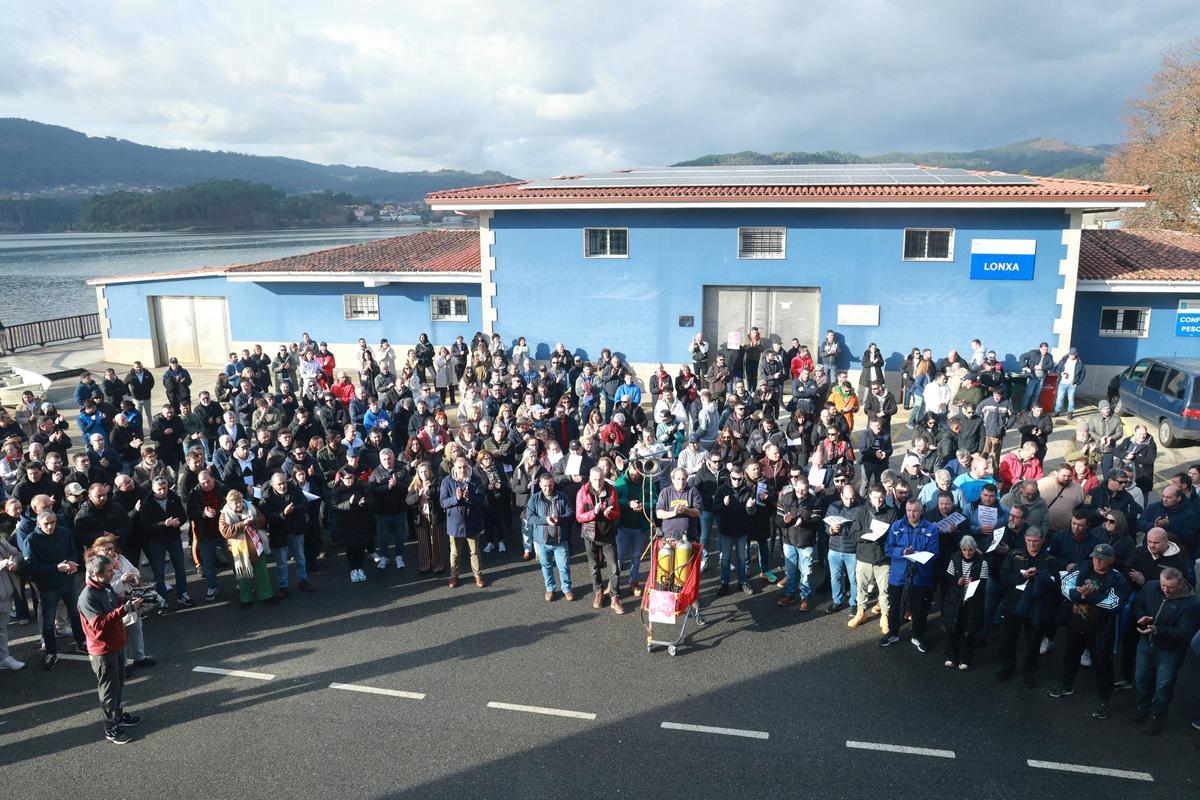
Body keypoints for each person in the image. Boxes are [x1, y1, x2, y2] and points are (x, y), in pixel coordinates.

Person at [1048, 543, 1129, 720]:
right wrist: (1080, 596)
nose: (1097, 562)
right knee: (1070, 655)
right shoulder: (1083, 567)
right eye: (1095, 558)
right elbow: (1064, 585)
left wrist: (1089, 595)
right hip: (1076, 624)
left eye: (1102, 559)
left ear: (1111, 560)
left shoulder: (1118, 579)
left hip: (1101, 629)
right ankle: (1066, 684)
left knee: (1102, 664)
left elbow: (1114, 604)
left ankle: (1104, 699)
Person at [77, 553, 144, 744]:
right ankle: (110, 727)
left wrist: (128, 602)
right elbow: (98, 623)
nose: (113, 572)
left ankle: (118, 715)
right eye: (108, 571)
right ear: (96, 573)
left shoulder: (105, 587)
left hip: (116, 644)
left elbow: (114, 605)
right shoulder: (87, 596)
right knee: (108, 690)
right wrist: (124, 609)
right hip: (103, 650)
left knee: (119, 684)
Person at [1128, 567, 1200, 735]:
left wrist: (1157, 629)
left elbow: (1185, 633)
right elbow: (1138, 604)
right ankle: (1142, 709)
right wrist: (1141, 618)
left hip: (1170, 650)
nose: (1165, 590)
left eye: (1170, 587)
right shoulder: (1151, 587)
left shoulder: (1191, 604)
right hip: (1146, 643)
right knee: (1141, 679)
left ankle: (1157, 718)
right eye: (1163, 585)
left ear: (1180, 584)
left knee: (1163, 685)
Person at [996, 528, 1060, 688]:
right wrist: (1022, 577)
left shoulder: (1050, 560)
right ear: (1025, 539)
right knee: (1009, 638)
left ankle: (1029, 672)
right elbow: (1003, 577)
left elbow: (1055, 584)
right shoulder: (1014, 554)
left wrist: (1041, 578)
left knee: (1033, 642)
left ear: (1042, 540)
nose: (1032, 544)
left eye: (1036, 541)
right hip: (1014, 604)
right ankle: (1008, 666)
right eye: (1029, 540)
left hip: (1036, 607)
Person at [24, 510, 87, 669]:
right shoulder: (31, 540)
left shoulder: (64, 533)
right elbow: (31, 567)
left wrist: (72, 562)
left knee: (75, 614)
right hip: (48, 586)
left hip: (68, 581)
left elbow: (73, 551)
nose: (50, 526)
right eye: (46, 524)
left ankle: (81, 642)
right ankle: (51, 652)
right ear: (38, 524)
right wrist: (55, 567)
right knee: (48, 622)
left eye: (53, 522)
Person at [880, 498, 939, 652]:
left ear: (921, 511)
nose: (911, 514)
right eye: (909, 510)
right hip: (898, 575)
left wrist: (918, 554)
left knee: (920, 609)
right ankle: (893, 633)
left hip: (921, 576)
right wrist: (902, 552)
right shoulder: (896, 526)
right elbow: (888, 548)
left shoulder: (931, 529)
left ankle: (917, 635)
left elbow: (934, 553)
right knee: (894, 607)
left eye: (915, 511)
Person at [88, 535, 154, 671]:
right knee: (119, 634)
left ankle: (139, 657)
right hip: (113, 604)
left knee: (136, 629)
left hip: (130, 598)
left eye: (111, 548)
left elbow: (135, 570)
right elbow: (103, 588)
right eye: (104, 550)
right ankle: (123, 665)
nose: (109, 552)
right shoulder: (94, 566)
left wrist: (133, 577)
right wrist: (122, 581)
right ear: (96, 551)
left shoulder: (121, 559)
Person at [849, 484, 899, 632]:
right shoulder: (861, 512)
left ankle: (885, 615)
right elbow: (853, 534)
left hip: (883, 557)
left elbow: (896, 534)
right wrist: (867, 535)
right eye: (875, 497)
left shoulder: (892, 513)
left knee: (884, 589)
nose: (878, 500)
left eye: (881, 497)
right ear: (869, 497)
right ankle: (861, 612)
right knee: (861, 587)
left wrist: (884, 536)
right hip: (864, 555)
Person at [576, 466, 623, 613]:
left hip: (607, 534)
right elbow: (579, 516)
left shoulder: (611, 490)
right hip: (590, 535)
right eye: (595, 479)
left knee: (614, 567)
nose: (598, 482)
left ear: (604, 477)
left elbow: (617, 513)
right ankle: (598, 591)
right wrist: (593, 513)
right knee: (594, 566)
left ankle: (615, 596)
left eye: (601, 479)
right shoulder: (582, 492)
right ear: (590, 478)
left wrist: (610, 513)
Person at [218, 489, 276, 607]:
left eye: (240, 501)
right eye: (236, 503)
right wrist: (243, 524)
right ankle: (246, 599)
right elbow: (225, 532)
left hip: (256, 547)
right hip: (239, 550)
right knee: (243, 575)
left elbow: (262, 520)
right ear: (229, 503)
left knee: (262, 572)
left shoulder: (251, 507)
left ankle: (267, 595)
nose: (239, 504)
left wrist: (254, 520)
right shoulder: (224, 514)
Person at [261, 471, 313, 596]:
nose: (283, 486)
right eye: (279, 484)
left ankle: (303, 580)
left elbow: (306, 505)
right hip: (279, 533)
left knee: (300, 557)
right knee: (282, 562)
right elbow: (266, 517)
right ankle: (283, 586)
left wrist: (294, 509)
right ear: (273, 485)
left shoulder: (294, 489)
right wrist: (283, 514)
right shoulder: (267, 497)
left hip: (296, 529)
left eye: (284, 483)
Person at [942, 534, 988, 670]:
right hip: (955, 599)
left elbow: (984, 582)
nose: (967, 553)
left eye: (970, 550)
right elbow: (948, 577)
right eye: (964, 550)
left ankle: (965, 659)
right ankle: (951, 657)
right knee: (952, 629)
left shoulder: (983, 562)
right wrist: (957, 582)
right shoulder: (954, 558)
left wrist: (976, 584)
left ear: (975, 549)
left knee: (968, 631)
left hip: (972, 602)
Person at [439, 456, 486, 588]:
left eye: (464, 467)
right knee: (455, 552)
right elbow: (443, 502)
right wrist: (456, 498)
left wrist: (469, 497)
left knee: (475, 551)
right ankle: (454, 576)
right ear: (454, 467)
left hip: (472, 521)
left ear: (468, 466)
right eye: (459, 467)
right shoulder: (446, 481)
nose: (462, 470)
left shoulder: (475, 479)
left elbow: (481, 499)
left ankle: (478, 575)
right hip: (455, 522)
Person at [527, 473, 574, 601]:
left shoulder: (563, 497)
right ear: (540, 485)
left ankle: (567, 589)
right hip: (542, 540)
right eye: (545, 486)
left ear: (554, 484)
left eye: (551, 485)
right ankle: (550, 589)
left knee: (563, 566)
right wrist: (545, 520)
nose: (548, 488)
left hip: (560, 539)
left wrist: (559, 519)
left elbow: (570, 514)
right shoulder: (534, 499)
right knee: (546, 566)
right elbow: (530, 518)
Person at [776, 471, 818, 610]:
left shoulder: (815, 501)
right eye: (798, 489)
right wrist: (784, 521)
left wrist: (804, 522)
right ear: (794, 487)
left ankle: (804, 597)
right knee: (790, 571)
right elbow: (777, 519)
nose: (801, 492)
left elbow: (816, 521)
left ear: (808, 489)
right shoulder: (785, 499)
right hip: (789, 541)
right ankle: (789, 594)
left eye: (804, 490)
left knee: (806, 572)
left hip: (806, 542)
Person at [0, 535, 25, 670]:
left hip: (6, 594)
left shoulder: (1, 540)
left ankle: (4, 658)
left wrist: (14, 563)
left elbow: (18, 555)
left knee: (2, 629)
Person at [1018, 342, 1054, 411]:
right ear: (1040, 348)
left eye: (1046, 349)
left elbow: (1051, 365)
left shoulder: (1049, 356)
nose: (1045, 351)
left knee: (1036, 395)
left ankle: (1033, 409)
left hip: (1041, 378)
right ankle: (1023, 409)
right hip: (1032, 377)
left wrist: (1041, 367)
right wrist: (1024, 367)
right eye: (1044, 349)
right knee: (1028, 394)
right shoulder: (1033, 353)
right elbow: (1022, 357)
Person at [1053, 347, 1085, 419]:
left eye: (1073, 355)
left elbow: (1082, 374)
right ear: (1068, 354)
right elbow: (1057, 369)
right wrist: (1061, 374)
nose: (1071, 356)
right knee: (1059, 398)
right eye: (1070, 354)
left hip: (1072, 384)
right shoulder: (1063, 360)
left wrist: (1078, 383)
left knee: (1071, 399)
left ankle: (1070, 413)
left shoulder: (1079, 363)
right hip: (1062, 383)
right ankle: (1057, 411)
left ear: (1076, 355)